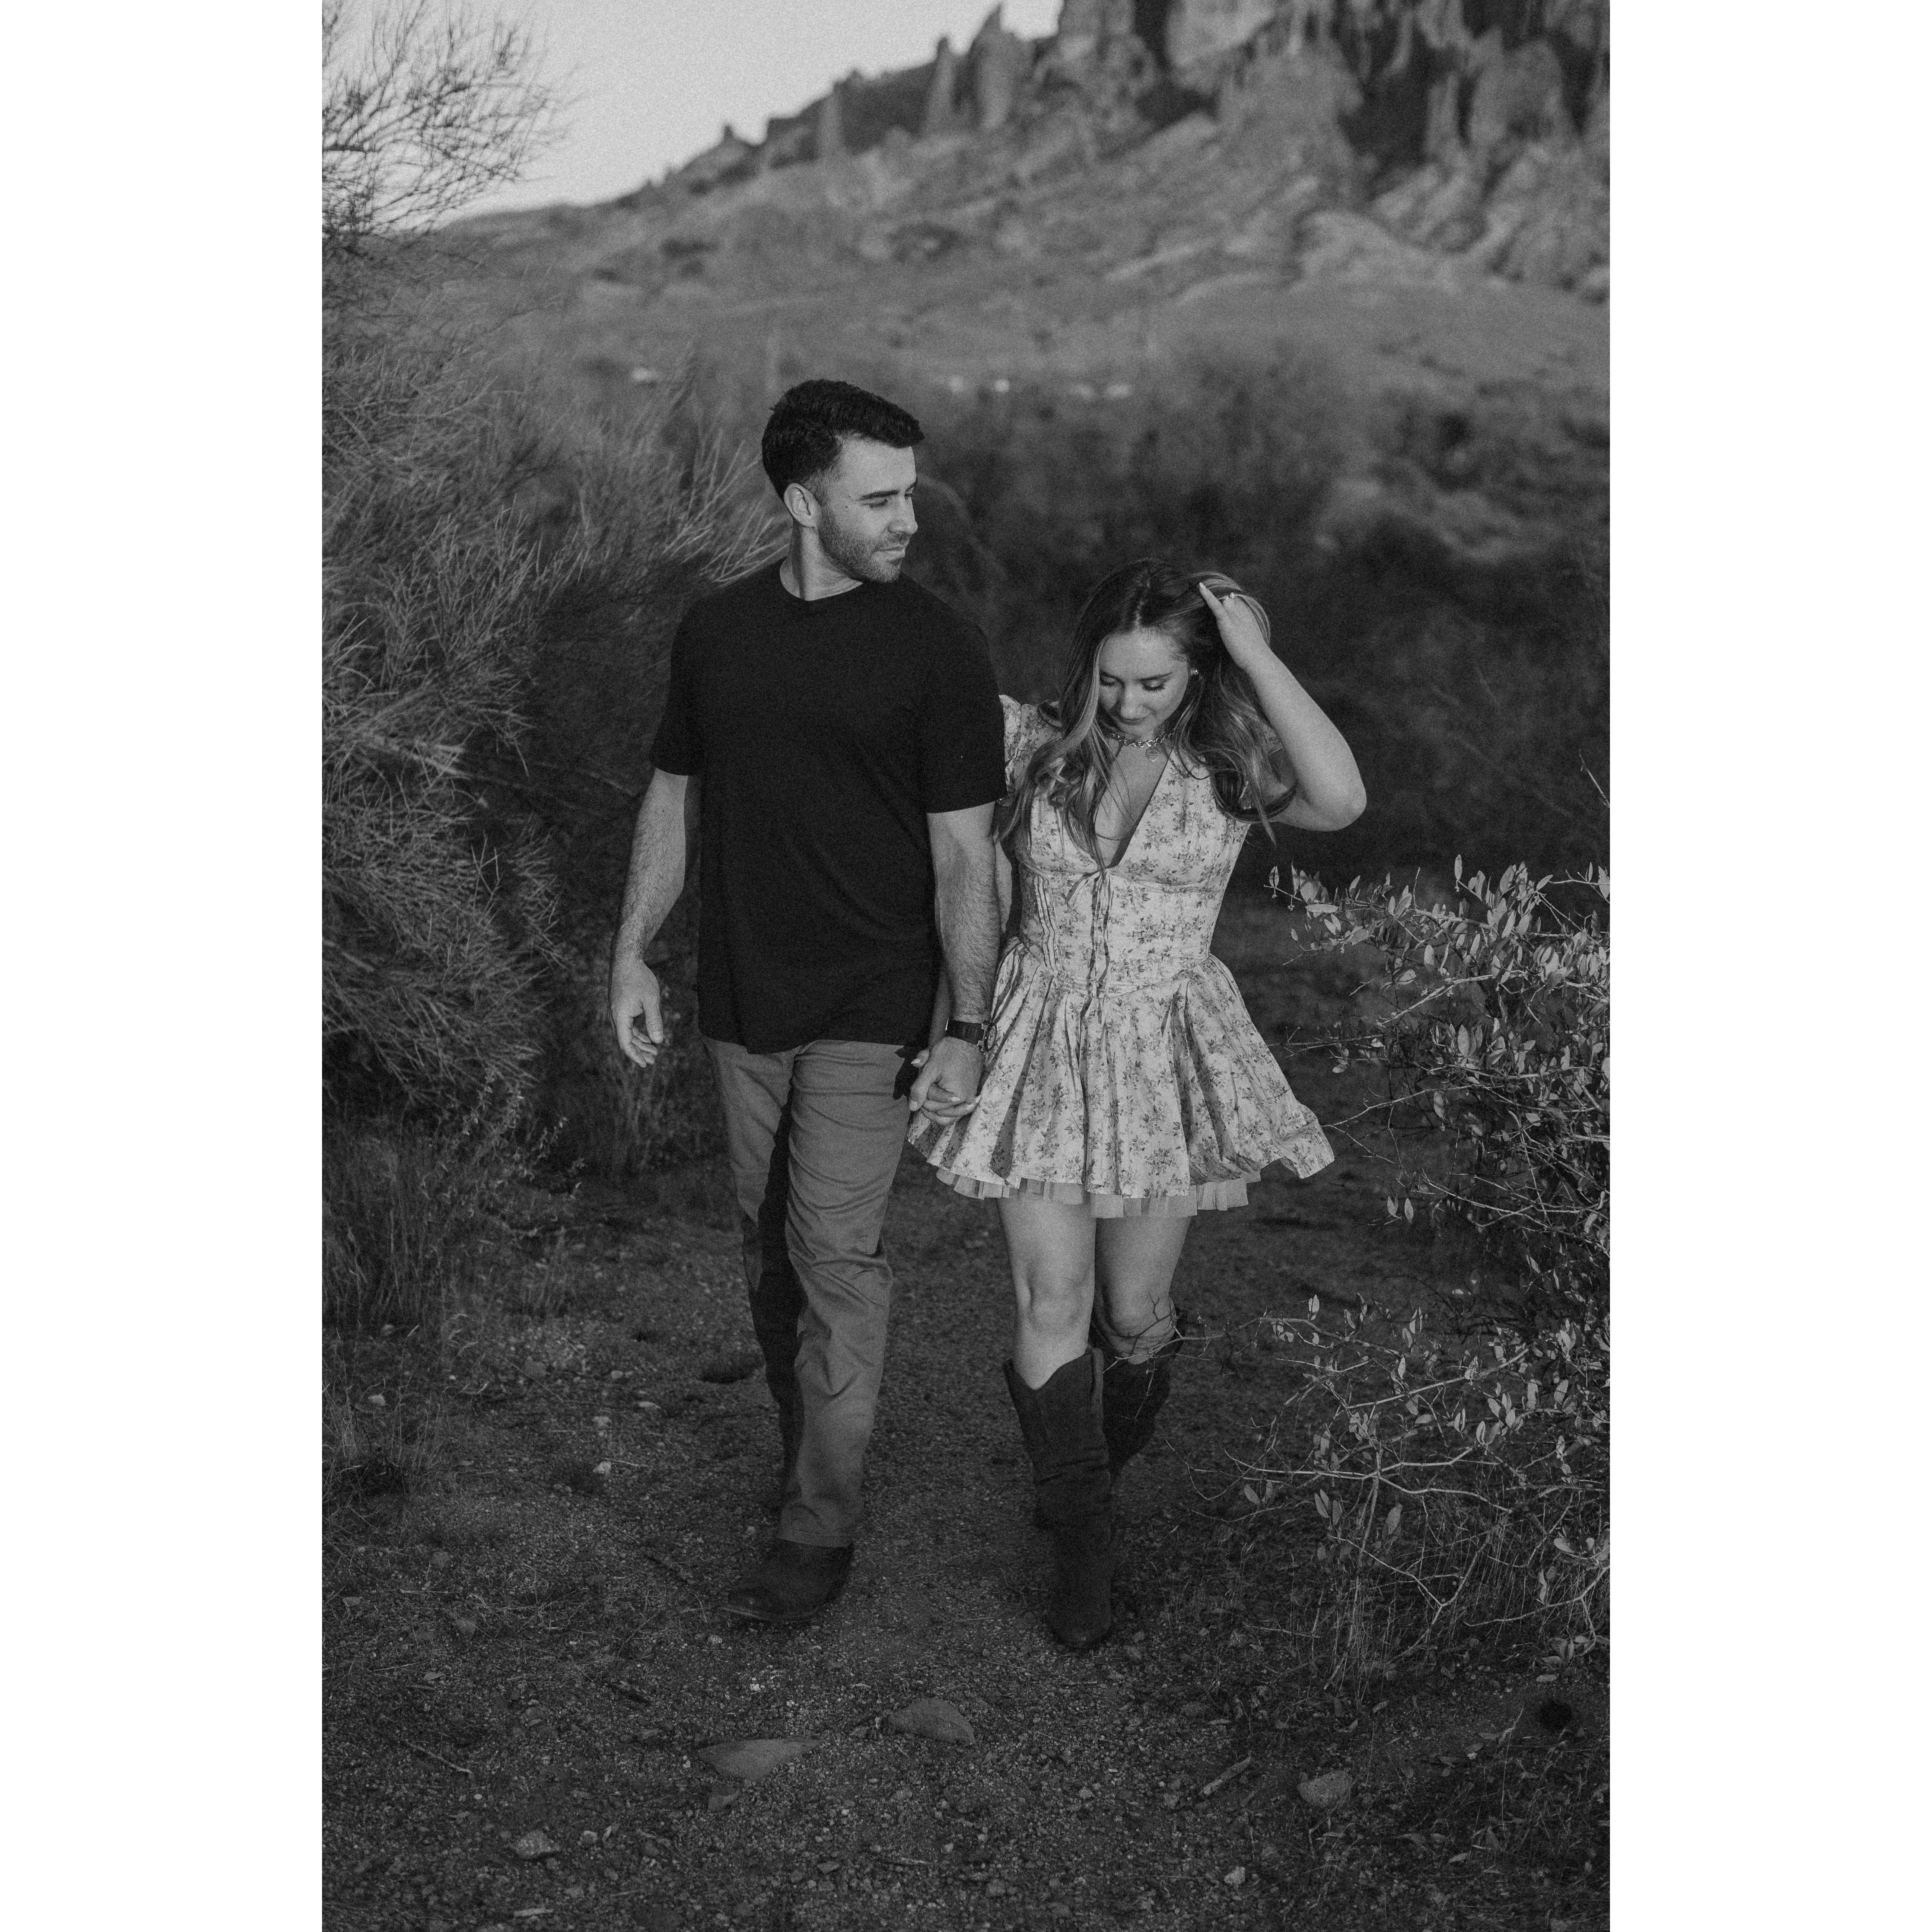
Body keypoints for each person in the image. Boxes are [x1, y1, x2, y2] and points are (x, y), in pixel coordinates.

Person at [909, 557, 1366, 1651]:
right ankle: (1082, 1541)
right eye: (1110, 680)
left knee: (1135, 1317)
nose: (1126, 704)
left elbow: (1344, 800)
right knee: (1051, 1299)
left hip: (1164, 1050)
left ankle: (1092, 1470)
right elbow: (925, 767)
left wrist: (1254, 649)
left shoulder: (1229, 766)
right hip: (1039, 1040)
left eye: (1154, 683)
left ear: (1196, 674)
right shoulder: (1031, 745)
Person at [609, 379, 1004, 1625]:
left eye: (909, 496)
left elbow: (965, 854)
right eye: (879, 500)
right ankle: (805, 1462)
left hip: (874, 998)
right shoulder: (717, 633)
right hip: (743, 992)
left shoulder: (937, 646)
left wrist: (968, 1024)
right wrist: (631, 952)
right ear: (800, 501)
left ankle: (816, 1528)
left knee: (835, 1254)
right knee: (766, 1250)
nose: (908, 522)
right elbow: (672, 794)